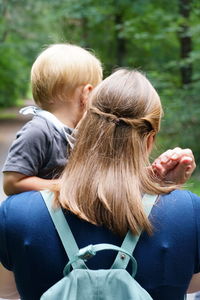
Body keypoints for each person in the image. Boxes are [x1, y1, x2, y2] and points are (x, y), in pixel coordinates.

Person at [0, 69, 199, 300]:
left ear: (86, 127)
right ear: (149, 139)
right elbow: (189, 283)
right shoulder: (190, 212)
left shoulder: (16, 213)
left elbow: (6, 290)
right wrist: (165, 193)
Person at [2, 43, 103, 195]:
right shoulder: (39, 131)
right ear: (86, 94)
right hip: (42, 216)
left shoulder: (79, 133)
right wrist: (63, 186)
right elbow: (12, 182)